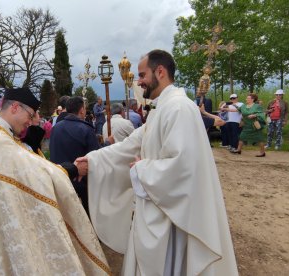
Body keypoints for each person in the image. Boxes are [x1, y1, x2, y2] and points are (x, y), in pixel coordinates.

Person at [76, 50, 238, 275]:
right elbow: (131, 145)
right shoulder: (161, 108)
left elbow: (183, 167)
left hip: (174, 218)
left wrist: (142, 169)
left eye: (142, 75)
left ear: (160, 71)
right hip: (158, 206)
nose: (138, 81)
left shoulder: (179, 108)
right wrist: (94, 160)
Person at [0, 88, 109, 275]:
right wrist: (74, 168)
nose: (31, 120)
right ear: (15, 108)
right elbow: (33, 173)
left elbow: (24, 167)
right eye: (31, 114)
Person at [49, 96, 103, 216]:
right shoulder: (85, 129)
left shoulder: (56, 128)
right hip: (81, 184)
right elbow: (96, 157)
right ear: (82, 110)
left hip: (60, 180)